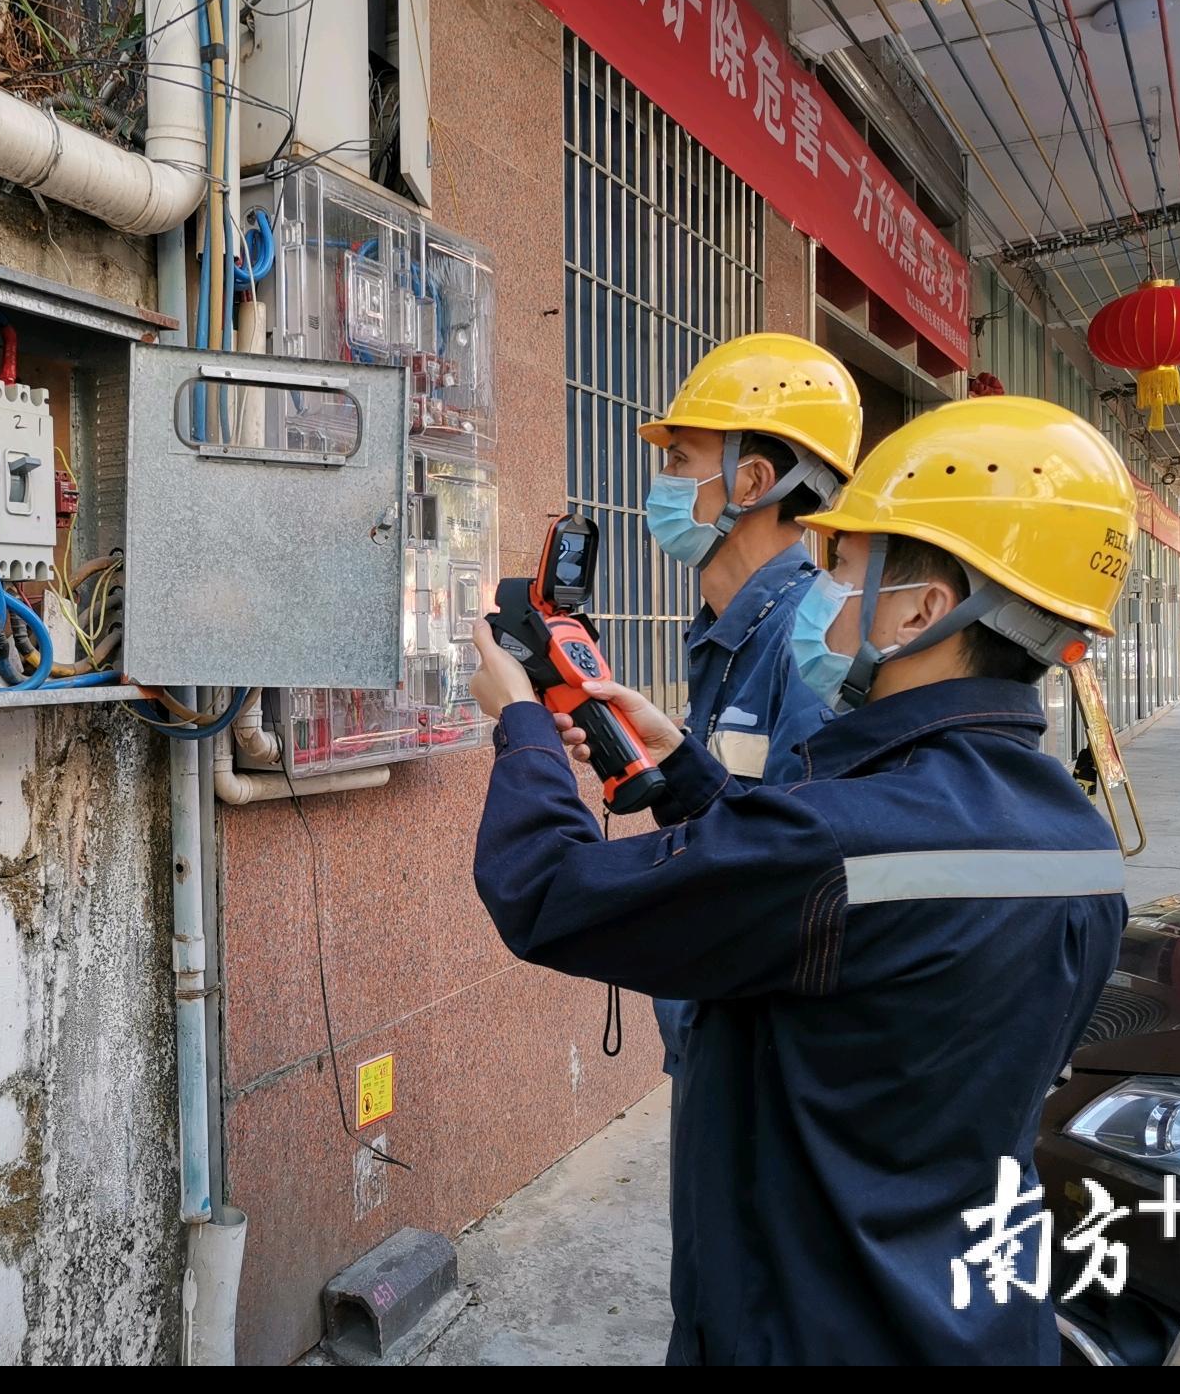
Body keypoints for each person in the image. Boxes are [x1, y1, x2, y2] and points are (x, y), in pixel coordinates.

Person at [468, 396, 1133, 1364]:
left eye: (840, 564)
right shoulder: (1078, 846)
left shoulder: (832, 841)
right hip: (977, 1319)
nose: (816, 586)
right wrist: (689, 776)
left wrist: (520, 722)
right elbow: (852, 944)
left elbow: (542, 888)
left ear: (921, 610)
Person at [639, 335, 863, 1121]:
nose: (662, 484)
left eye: (680, 460)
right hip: (717, 1026)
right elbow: (733, 801)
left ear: (754, 480)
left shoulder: (803, 643)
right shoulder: (726, 630)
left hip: (766, 1057)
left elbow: (798, 867)